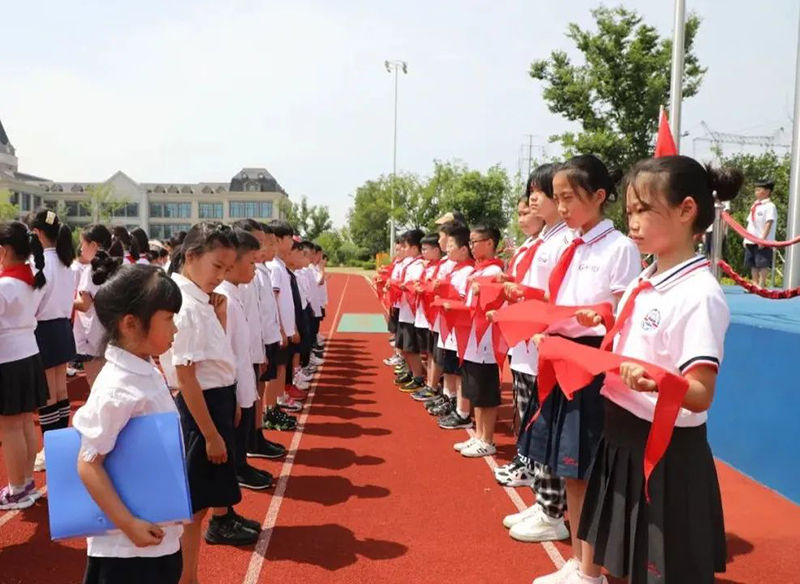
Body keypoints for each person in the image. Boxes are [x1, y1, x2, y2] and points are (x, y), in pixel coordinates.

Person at [567, 156, 742, 584]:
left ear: (686, 210)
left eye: (644, 209)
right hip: (621, 436)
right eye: (630, 211)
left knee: (662, 569)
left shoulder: (699, 294)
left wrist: (654, 382)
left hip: (663, 451)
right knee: (624, 558)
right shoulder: (642, 281)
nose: (633, 222)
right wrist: (605, 322)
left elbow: (700, 393)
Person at [525, 155, 641, 584]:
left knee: (587, 469)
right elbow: (557, 303)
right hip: (561, 357)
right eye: (557, 198)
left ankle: (591, 570)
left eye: (569, 198)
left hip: (591, 364)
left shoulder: (619, 248)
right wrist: (542, 327)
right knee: (568, 467)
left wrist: (601, 319)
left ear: (599, 196)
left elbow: (623, 317)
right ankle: (578, 562)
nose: (562, 207)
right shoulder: (570, 246)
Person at [72, 262, 184, 584]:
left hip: (156, 537)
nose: (175, 329)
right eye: (169, 319)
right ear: (131, 324)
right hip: (126, 553)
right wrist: (128, 524)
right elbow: (88, 463)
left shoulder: (144, 368)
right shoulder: (117, 387)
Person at [162, 223, 259, 583]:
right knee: (193, 506)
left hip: (213, 402)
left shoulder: (201, 300)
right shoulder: (186, 306)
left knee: (199, 505)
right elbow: (187, 377)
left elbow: (210, 360)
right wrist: (211, 435)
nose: (220, 276)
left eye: (226, 269)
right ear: (191, 256)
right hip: (200, 410)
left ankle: (189, 576)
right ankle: (187, 577)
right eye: (217, 266)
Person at [494, 165, 571, 544]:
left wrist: (523, 294)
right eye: (532, 193)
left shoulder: (563, 242)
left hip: (545, 351)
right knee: (532, 431)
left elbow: (556, 299)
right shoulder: (542, 241)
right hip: (526, 348)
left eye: (539, 193)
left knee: (545, 432)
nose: (532, 200)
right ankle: (543, 501)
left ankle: (552, 510)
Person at [0, 221, 48, 509]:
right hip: (29, 355)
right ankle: (25, 482)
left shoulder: (5, 285)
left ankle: (17, 488)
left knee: (10, 428)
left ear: (3, 251)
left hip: (8, 359)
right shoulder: (31, 280)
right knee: (24, 424)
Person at [28, 209, 78, 474]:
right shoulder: (66, 261)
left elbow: (34, 303)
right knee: (60, 390)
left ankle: (50, 449)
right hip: (62, 327)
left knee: (48, 394)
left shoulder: (39, 263)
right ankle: (61, 444)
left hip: (44, 329)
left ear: (37, 233)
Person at [450, 224, 504, 454]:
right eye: (470, 242)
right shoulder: (478, 270)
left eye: (475, 242)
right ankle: (480, 435)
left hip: (486, 340)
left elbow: (494, 300)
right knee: (474, 390)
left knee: (485, 392)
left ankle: (487, 440)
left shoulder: (494, 271)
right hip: (472, 337)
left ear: (489, 243)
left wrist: (481, 291)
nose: (471, 246)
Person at [434, 224, 476, 430]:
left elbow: (464, 300)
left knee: (459, 373)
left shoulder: (469, 271)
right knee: (450, 368)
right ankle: (453, 403)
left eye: (451, 245)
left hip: (460, 329)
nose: (447, 249)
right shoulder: (457, 269)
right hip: (450, 327)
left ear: (464, 249)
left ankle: (462, 412)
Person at [256, 222, 296, 434]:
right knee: (268, 376)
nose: (269, 248)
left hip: (276, 331)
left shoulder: (273, 267)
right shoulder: (271, 269)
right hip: (271, 333)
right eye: (267, 243)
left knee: (276, 371)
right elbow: (273, 299)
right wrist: (281, 329)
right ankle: (269, 411)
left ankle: (272, 409)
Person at [74, 224, 115, 389]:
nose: (80, 248)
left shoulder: (91, 270)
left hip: (91, 334)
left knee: (96, 384)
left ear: (93, 245)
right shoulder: (115, 266)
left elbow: (84, 305)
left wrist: (63, 302)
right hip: (109, 331)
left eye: (83, 243)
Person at [408, 234, 444, 402]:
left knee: (433, 354)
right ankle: (430, 384)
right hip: (423, 315)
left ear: (436, 250)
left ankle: (433, 386)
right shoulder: (427, 267)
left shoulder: (440, 268)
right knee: (428, 353)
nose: (422, 252)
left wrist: (425, 288)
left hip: (433, 317)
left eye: (425, 249)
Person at [393, 230, 427, 392]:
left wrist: (405, 287)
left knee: (411, 347)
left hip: (412, 313)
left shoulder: (419, 265)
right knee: (404, 346)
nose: (403, 249)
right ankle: (411, 372)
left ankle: (418, 377)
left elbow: (418, 285)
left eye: (405, 246)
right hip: (404, 310)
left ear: (414, 248)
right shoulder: (409, 263)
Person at [743, 178, 778, 288]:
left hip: (763, 240)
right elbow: (750, 222)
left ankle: (761, 284)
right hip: (751, 239)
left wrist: (763, 239)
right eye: (755, 190)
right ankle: (754, 283)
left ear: (767, 191)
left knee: (762, 263)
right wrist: (746, 238)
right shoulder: (755, 205)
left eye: (759, 190)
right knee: (752, 262)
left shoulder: (770, 206)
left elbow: (769, 223)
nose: (756, 192)